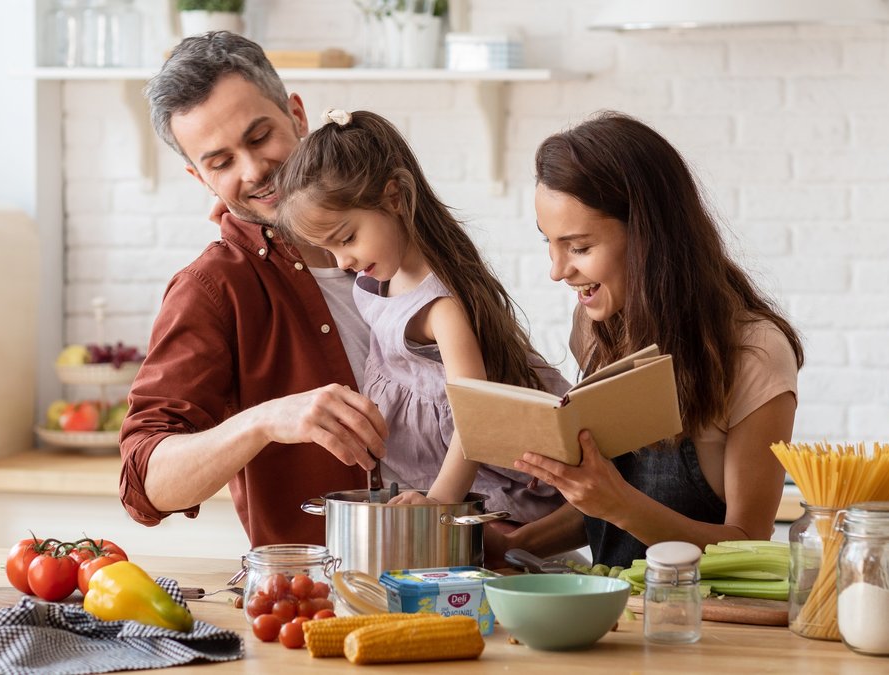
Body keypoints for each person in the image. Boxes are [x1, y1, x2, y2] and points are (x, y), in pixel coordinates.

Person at [118, 32, 390, 547]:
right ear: (200, 178)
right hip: (327, 596)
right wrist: (264, 420)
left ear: (297, 115)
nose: (254, 170)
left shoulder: (398, 226)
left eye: (260, 136)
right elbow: (145, 482)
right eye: (220, 163)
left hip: (477, 568)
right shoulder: (213, 288)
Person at [498, 111, 804, 568]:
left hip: (705, 626)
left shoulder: (754, 355)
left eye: (579, 248)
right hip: (614, 615)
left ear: (648, 238)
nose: (557, 271)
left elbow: (750, 544)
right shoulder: (599, 326)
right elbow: (602, 508)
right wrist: (508, 546)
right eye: (550, 242)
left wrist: (617, 503)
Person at [271, 108, 568, 524]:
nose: (343, 261)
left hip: (478, 493)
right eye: (330, 249)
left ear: (394, 198)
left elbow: (475, 417)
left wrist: (441, 503)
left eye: (348, 238)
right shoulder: (382, 280)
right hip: (427, 483)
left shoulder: (440, 307)